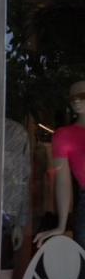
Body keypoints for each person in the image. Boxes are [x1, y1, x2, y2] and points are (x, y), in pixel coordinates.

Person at [34, 80, 85, 249]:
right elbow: (63, 180)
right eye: (73, 98)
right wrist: (61, 225)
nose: (76, 101)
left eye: (82, 96)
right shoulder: (64, 135)